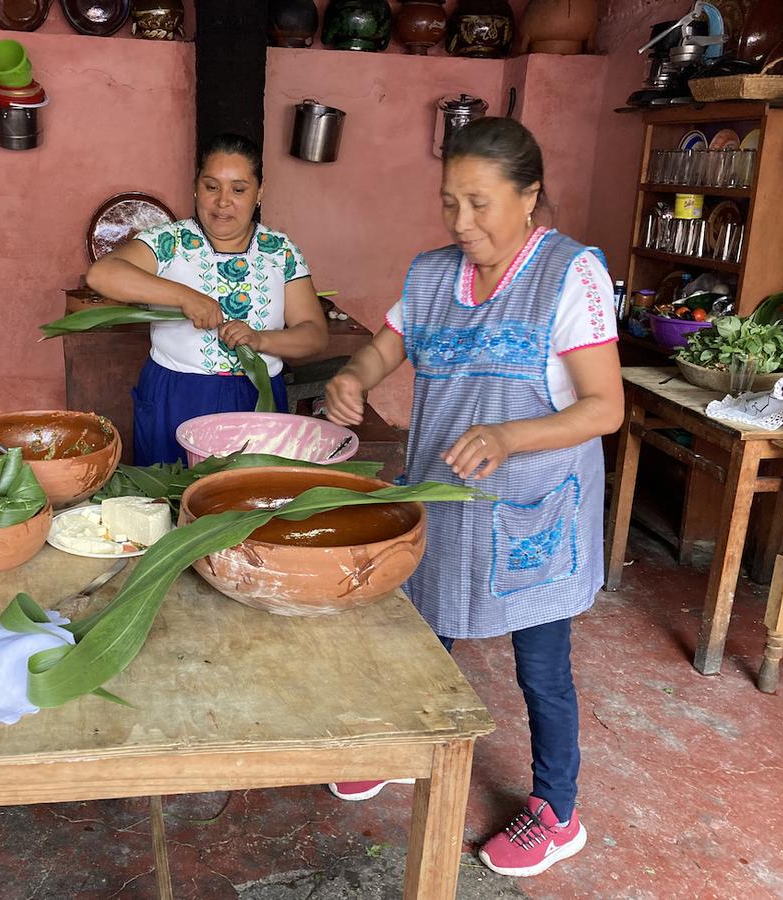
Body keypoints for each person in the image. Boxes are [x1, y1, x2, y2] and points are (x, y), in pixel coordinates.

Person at [323, 117, 624, 878]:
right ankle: (407, 747)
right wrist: (356, 376)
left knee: (541, 667)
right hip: (445, 495)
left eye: (479, 203)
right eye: (449, 202)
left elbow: (603, 409)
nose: (461, 222)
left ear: (529, 198)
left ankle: (559, 812)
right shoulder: (431, 274)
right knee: (423, 637)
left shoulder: (569, 275)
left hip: (534, 508)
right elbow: (385, 346)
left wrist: (510, 436)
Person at [85, 134, 328, 466]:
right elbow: (103, 274)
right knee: (170, 501)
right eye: (212, 186)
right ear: (196, 187)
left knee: (243, 504)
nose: (223, 202)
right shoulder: (170, 241)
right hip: (177, 393)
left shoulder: (280, 250)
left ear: (260, 192)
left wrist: (261, 339)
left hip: (255, 396)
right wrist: (185, 297)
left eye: (238, 189)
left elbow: (314, 334)